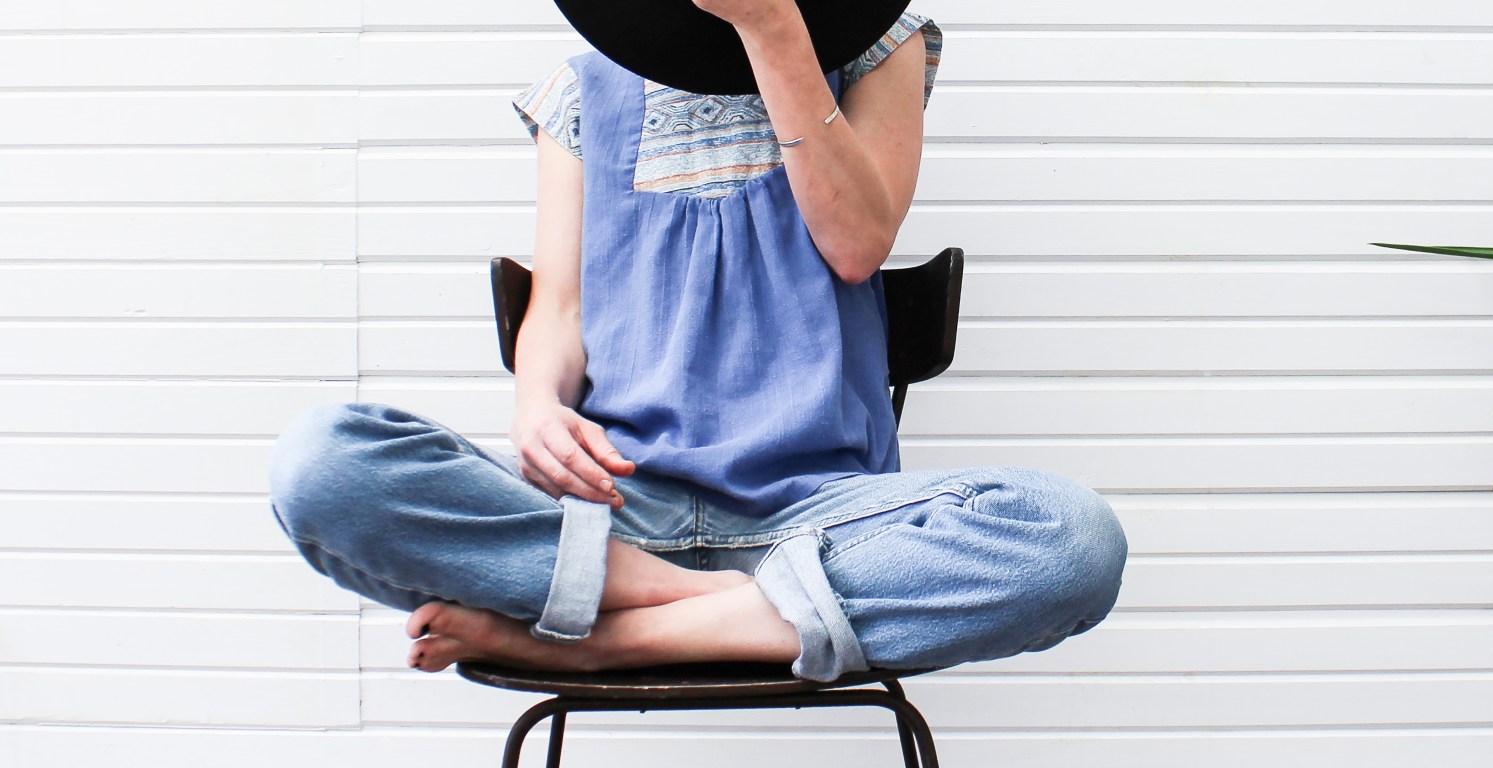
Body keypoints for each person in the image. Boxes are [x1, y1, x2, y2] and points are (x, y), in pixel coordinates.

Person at [265, 0, 1128, 683]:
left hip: (817, 519)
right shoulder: (580, 91)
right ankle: (703, 601)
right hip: (615, 511)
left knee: (1071, 540)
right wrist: (534, 406)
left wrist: (770, 24)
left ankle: (605, 640)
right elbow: (558, 309)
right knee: (323, 465)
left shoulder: (878, 47)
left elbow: (857, 244)